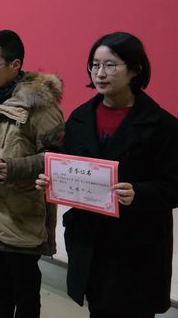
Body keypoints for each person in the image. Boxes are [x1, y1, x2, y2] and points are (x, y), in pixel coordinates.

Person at [36, 32, 178, 318]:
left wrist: (140, 193)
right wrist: (51, 180)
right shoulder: (80, 118)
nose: (100, 73)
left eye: (110, 65)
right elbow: (67, 164)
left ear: (135, 69)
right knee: (98, 308)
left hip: (136, 245)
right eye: (95, 65)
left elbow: (174, 186)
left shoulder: (163, 125)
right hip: (89, 240)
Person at [0, 30, 64, 318]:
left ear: (15, 65)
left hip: (21, 212)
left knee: (25, 292)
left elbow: (58, 158)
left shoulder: (40, 104)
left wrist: (17, 167)